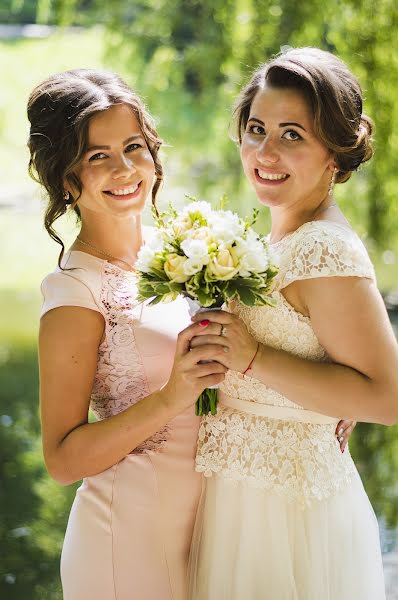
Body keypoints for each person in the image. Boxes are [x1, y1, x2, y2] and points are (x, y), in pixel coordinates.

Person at [188, 47, 398, 599]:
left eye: (292, 135)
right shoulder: (280, 238)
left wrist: (254, 358)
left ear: (335, 153)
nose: (265, 151)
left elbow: (386, 397)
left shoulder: (324, 250)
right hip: (242, 491)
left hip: (285, 512)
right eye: (257, 129)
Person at [28, 69, 228, 600]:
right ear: (67, 179)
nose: (124, 169)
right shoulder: (75, 295)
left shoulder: (181, 251)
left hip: (212, 528)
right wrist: (171, 397)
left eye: (133, 147)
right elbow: (62, 459)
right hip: (127, 538)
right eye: (98, 156)